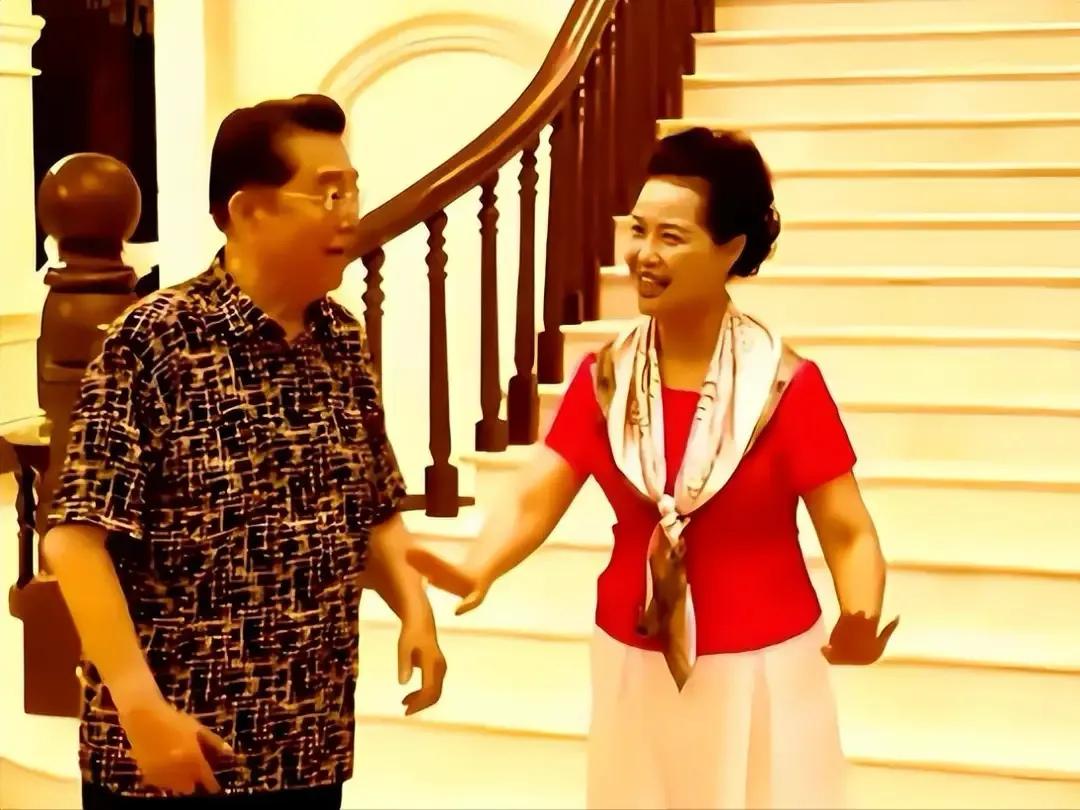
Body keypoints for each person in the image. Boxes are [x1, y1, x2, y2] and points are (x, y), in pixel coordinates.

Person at [408, 127, 898, 809]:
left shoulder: (783, 385)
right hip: (633, 655)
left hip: (764, 661)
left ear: (731, 248)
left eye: (672, 236)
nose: (643, 253)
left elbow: (847, 530)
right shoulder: (606, 377)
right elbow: (538, 490)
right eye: (637, 230)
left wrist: (860, 609)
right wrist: (479, 562)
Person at [42, 94, 446, 809]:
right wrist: (140, 710)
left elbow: (376, 509)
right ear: (248, 211)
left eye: (352, 191)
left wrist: (416, 608)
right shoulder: (155, 341)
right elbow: (75, 542)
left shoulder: (341, 340)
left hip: (308, 745)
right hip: (172, 753)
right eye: (327, 193)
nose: (349, 214)